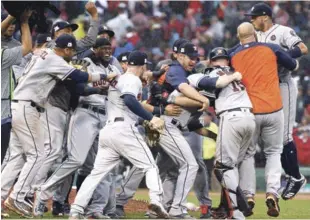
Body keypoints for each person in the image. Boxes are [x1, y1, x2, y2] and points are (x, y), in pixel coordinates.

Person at [2, 34, 107, 219]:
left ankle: (5, 196)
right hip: (28, 106)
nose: (72, 54)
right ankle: (18, 196)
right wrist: (105, 75)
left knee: (18, 157)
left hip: (20, 104)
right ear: (66, 49)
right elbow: (79, 76)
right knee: (37, 154)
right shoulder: (54, 59)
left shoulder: (43, 52)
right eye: (72, 51)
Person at [69, 51, 169, 219]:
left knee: (96, 174)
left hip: (108, 131)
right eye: (145, 67)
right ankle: (156, 202)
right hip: (124, 130)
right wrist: (151, 118)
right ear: (142, 66)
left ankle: (76, 209)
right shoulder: (132, 79)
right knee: (150, 166)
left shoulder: (120, 78)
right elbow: (130, 100)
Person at [230, 22, 299, 217]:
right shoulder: (272, 48)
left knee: (248, 155)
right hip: (273, 109)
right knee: (274, 153)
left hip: (250, 111)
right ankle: (272, 192)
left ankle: (249, 195)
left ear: (238, 36)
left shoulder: (233, 54)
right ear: (256, 34)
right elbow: (293, 64)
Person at [245, 2, 308, 200]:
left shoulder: (282, 31)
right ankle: (292, 176)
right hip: (265, 88)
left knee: (284, 136)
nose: (251, 20)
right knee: (269, 139)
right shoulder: (255, 36)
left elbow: (303, 48)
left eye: (254, 17)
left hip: (283, 85)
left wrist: (281, 55)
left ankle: (295, 177)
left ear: (264, 16)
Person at [194, 47, 255, 219]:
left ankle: (238, 210)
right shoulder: (235, 71)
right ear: (227, 60)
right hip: (250, 117)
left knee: (222, 167)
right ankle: (225, 209)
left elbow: (205, 97)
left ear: (211, 61)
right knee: (231, 167)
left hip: (231, 117)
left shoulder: (211, 72)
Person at [1, 10, 33, 164]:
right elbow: (27, 47)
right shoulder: (4, 55)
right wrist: (22, 20)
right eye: (9, 24)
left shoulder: (12, 47)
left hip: (8, 104)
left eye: (14, 25)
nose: (12, 27)